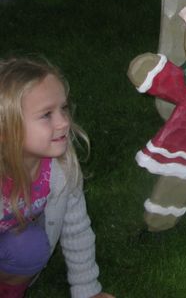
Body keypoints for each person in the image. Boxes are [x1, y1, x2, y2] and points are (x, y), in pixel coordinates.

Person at [0, 57, 113, 298]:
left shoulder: (61, 167)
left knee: (30, 246)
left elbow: (77, 229)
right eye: (46, 115)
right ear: (5, 128)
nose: (64, 122)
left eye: (63, 108)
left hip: (10, 245)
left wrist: (88, 291)